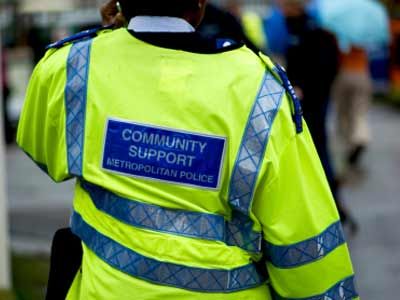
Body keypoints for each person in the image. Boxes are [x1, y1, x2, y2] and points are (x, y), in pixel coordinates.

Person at [17, 0, 358, 299]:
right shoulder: (261, 93)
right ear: (199, 4)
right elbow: (305, 246)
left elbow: (40, 146)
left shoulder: (71, 66)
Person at [333, 46, 372, 168]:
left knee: (343, 113)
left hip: (344, 74)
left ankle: (348, 144)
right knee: (359, 112)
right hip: (361, 74)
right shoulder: (364, 36)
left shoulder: (341, 36)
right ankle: (361, 137)